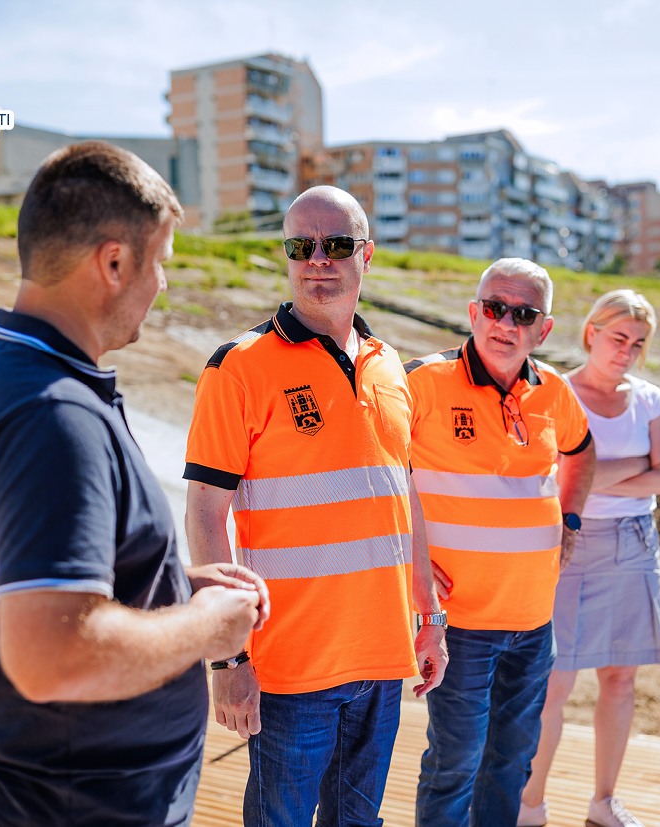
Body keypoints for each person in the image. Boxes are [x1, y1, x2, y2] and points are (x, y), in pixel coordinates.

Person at [0, 141, 266, 827]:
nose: (162, 282)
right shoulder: (53, 415)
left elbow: (36, 581)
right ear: (113, 262)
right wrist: (203, 626)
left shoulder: (5, 373)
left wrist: (171, 583)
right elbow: (54, 656)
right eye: (160, 259)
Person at [183, 185, 448, 827]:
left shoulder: (388, 368)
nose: (318, 260)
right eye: (303, 246)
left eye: (336, 245)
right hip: (289, 662)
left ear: (368, 255)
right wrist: (229, 656)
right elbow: (203, 514)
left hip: (384, 654)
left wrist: (429, 611)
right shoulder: (238, 367)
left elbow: (400, 499)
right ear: (287, 255)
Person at [407, 257, 596, 827]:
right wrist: (405, 561)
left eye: (523, 313)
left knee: (513, 762)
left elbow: (582, 453)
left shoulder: (554, 391)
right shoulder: (423, 381)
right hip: (458, 623)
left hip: (535, 624)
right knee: (454, 764)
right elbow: (376, 471)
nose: (505, 322)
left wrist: (571, 520)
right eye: (494, 307)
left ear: (544, 328)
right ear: (473, 312)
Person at [518, 290, 660, 827]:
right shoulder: (556, 391)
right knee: (553, 685)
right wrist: (631, 464)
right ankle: (530, 805)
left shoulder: (651, 399)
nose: (626, 351)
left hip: (634, 543)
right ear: (591, 332)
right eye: (617, 338)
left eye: (637, 343)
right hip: (567, 543)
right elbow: (551, 480)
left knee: (620, 679)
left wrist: (587, 473)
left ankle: (603, 800)